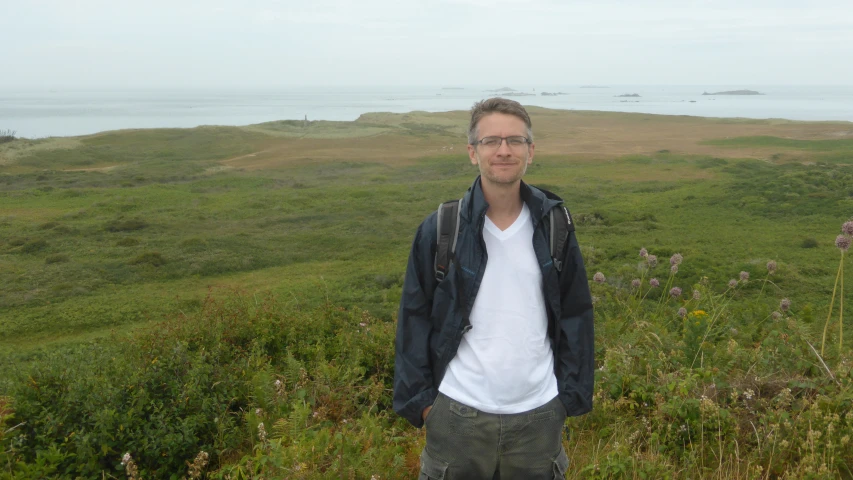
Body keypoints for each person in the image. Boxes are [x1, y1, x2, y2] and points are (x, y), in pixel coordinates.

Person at [393, 97, 595, 479]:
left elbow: (576, 313)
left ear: (530, 151)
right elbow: (413, 318)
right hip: (456, 415)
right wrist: (424, 406)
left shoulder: (555, 228)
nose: (504, 150)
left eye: (515, 141)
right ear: (473, 152)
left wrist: (567, 398)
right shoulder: (440, 229)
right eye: (491, 141)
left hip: (538, 417)